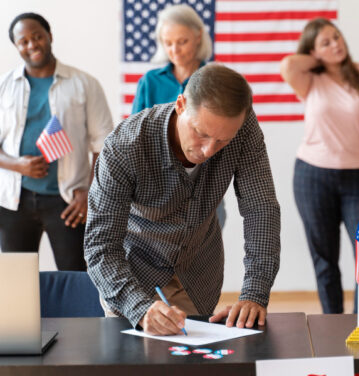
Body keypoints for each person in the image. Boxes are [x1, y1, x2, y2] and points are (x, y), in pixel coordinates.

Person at [85, 64, 281, 335]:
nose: (209, 150)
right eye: (201, 133)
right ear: (181, 105)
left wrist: (255, 293)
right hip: (132, 277)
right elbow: (100, 247)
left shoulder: (244, 128)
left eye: (223, 141)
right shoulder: (124, 147)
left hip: (199, 276)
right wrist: (139, 307)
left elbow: (261, 208)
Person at [280, 18, 359, 314]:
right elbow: (287, 65)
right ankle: (332, 324)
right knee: (325, 259)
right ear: (313, 51)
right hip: (312, 176)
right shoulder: (310, 79)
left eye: (337, 37)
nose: (336, 44)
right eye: (326, 42)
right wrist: (317, 57)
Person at [0, 13, 113, 270]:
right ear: (16, 46)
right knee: (18, 280)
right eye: (24, 41)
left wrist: (89, 192)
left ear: (49, 36)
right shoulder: (4, 86)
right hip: (13, 201)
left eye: (37, 37)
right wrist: (18, 165)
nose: (32, 45)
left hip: (68, 201)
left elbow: (103, 145)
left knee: (74, 277)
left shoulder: (84, 84)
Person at [131, 4, 226, 227]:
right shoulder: (150, 81)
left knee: (201, 254)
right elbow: (134, 134)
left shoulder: (215, 79)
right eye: (168, 43)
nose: (175, 50)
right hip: (157, 185)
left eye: (182, 42)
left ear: (198, 36)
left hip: (204, 184)